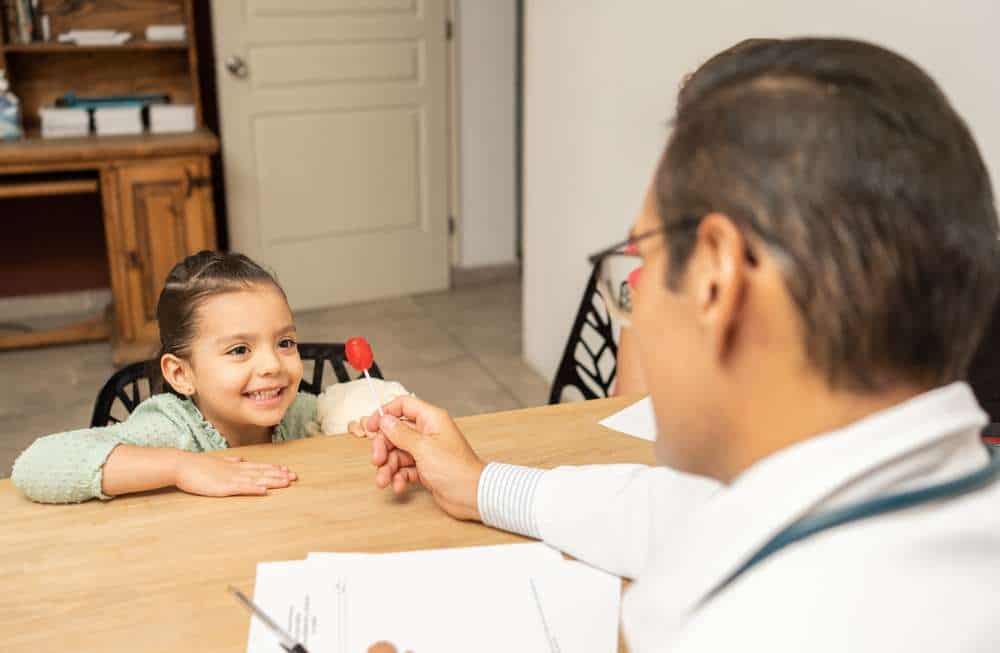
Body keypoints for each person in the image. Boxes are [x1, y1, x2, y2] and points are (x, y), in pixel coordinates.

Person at [358, 38, 1000, 651]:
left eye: (643, 262)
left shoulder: (772, 627)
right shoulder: (917, 498)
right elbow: (681, 513)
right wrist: (481, 484)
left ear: (716, 281)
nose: (634, 299)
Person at [12, 251, 366, 504]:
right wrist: (181, 468)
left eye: (284, 342)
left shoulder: (300, 414)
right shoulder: (171, 430)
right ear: (181, 374)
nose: (272, 365)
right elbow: (34, 465)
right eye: (239, 350)